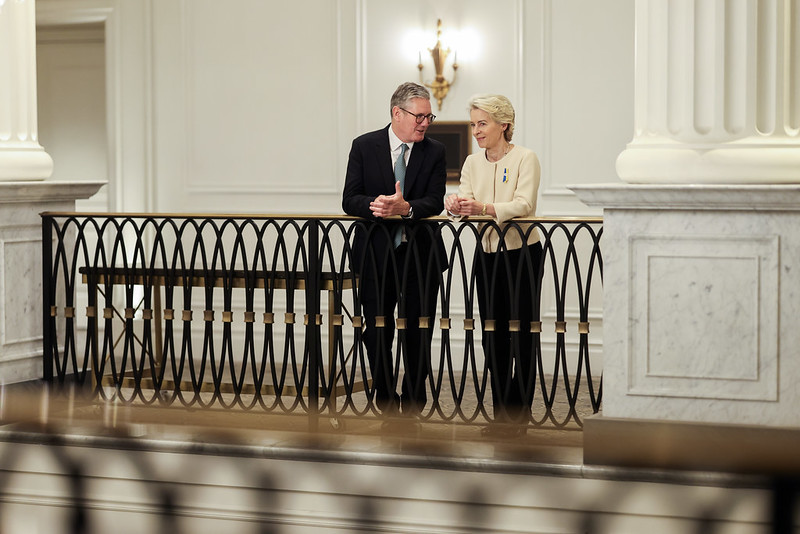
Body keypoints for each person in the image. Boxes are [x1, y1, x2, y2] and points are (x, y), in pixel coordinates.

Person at [342, 82, 447, 419]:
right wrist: (378, 205)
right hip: (375, 255)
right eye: (420, 116)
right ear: (396, 113)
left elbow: (434, 201)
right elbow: (349, 198)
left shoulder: (435, 151)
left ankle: (413, 403)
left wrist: (406, 209)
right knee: (377, 329)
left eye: (429, 117)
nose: (425, 123)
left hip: (421, 255)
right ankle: (385, 400)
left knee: (419, 329)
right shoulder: (364, 145)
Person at [444, 94, 542, 438]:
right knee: (492, 334)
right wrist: (454, 203)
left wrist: (484, 208)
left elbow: (524, 203)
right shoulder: (472, 162)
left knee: (523, 334)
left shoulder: (526, 158)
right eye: (473, 124)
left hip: (523, 255)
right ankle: (501, 413)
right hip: (486, 255)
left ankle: (520, 415)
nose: (476, 131)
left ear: (504, 124)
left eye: (482, 123)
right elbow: (462, 199)